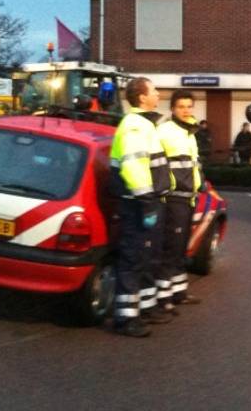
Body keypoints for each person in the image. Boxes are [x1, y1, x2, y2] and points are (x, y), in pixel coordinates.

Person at [109, 77, 172, 337]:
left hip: (144, 201)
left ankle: (144, 308)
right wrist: (147, 204)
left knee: (145, 257)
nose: (158, 94)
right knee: (133, 259)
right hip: (138, 204)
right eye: (154, 90)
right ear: (142, 97)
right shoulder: (135, 126)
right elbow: (134, 167)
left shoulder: (143, 124)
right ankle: (125, 319)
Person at [156, 90, 205, 313]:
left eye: (189, 106)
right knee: (170, 249)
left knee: (181, 248)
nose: (186, 110)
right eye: (181, 107)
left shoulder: (189, 132)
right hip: (173, 197)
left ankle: (179, 293)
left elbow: (193, 165)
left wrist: (201, 185)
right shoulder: (164, 131)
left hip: (188, 198)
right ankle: (163, 299)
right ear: (172, 109)